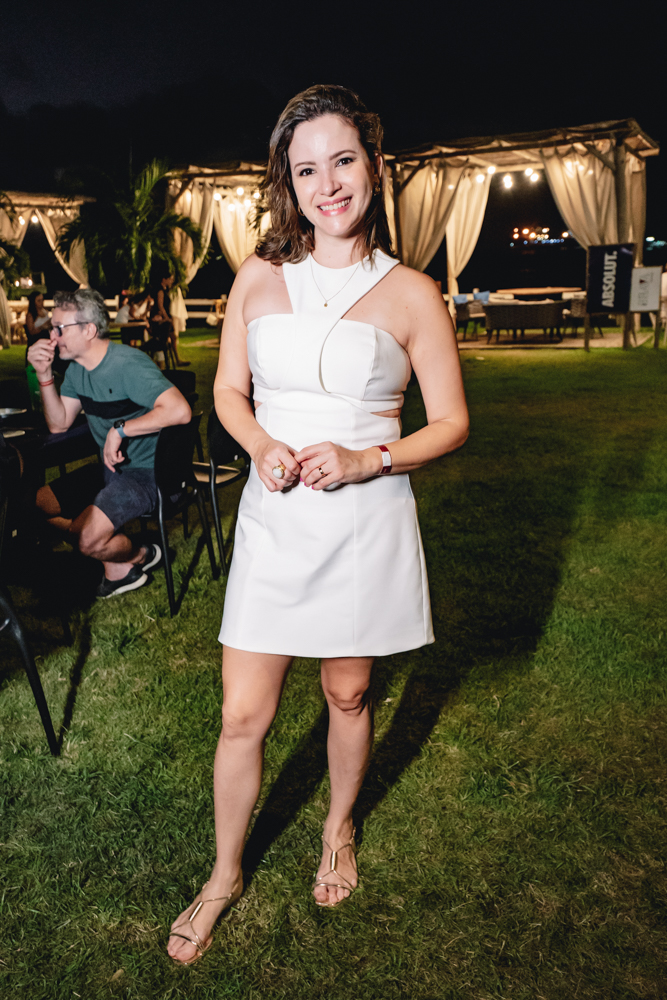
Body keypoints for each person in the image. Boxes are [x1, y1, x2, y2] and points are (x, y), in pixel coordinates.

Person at [167, 85, 469, 965]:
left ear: (374, 165)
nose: (327, 184)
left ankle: (337, 829)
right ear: (287, 183)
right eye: (306, 170)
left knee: (347, 694)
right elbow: (229, 391)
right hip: (276, 519)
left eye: (342, 161)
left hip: (363, 519)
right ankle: (224, 873)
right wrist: (262, 444)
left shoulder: (412, 293)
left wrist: (370, 459)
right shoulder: (258, 276)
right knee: (241, 714)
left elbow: (451, 422)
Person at [27, 288, 191, 598]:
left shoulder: (128, 364)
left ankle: (135, 553)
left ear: (88, 330)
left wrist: (120, 430)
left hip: (149, 473)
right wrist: (44, 375)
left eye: (59, 328)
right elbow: (59, 423)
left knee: (87, 540)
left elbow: (180, 411)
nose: (52, 336)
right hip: (111, 471)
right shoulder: (77, 370)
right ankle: (124, 559)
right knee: (36, 503)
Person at [149, 273, 190, 366]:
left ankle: (176, 359)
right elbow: (160, 305)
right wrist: (166, 318)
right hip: (161, 319)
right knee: (165, 339)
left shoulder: (165, 290)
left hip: (164, 317)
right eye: (170, 279)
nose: (171, 281)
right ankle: (168, 360)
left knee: (173, 337)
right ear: (164, 279)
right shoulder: (160, 291)